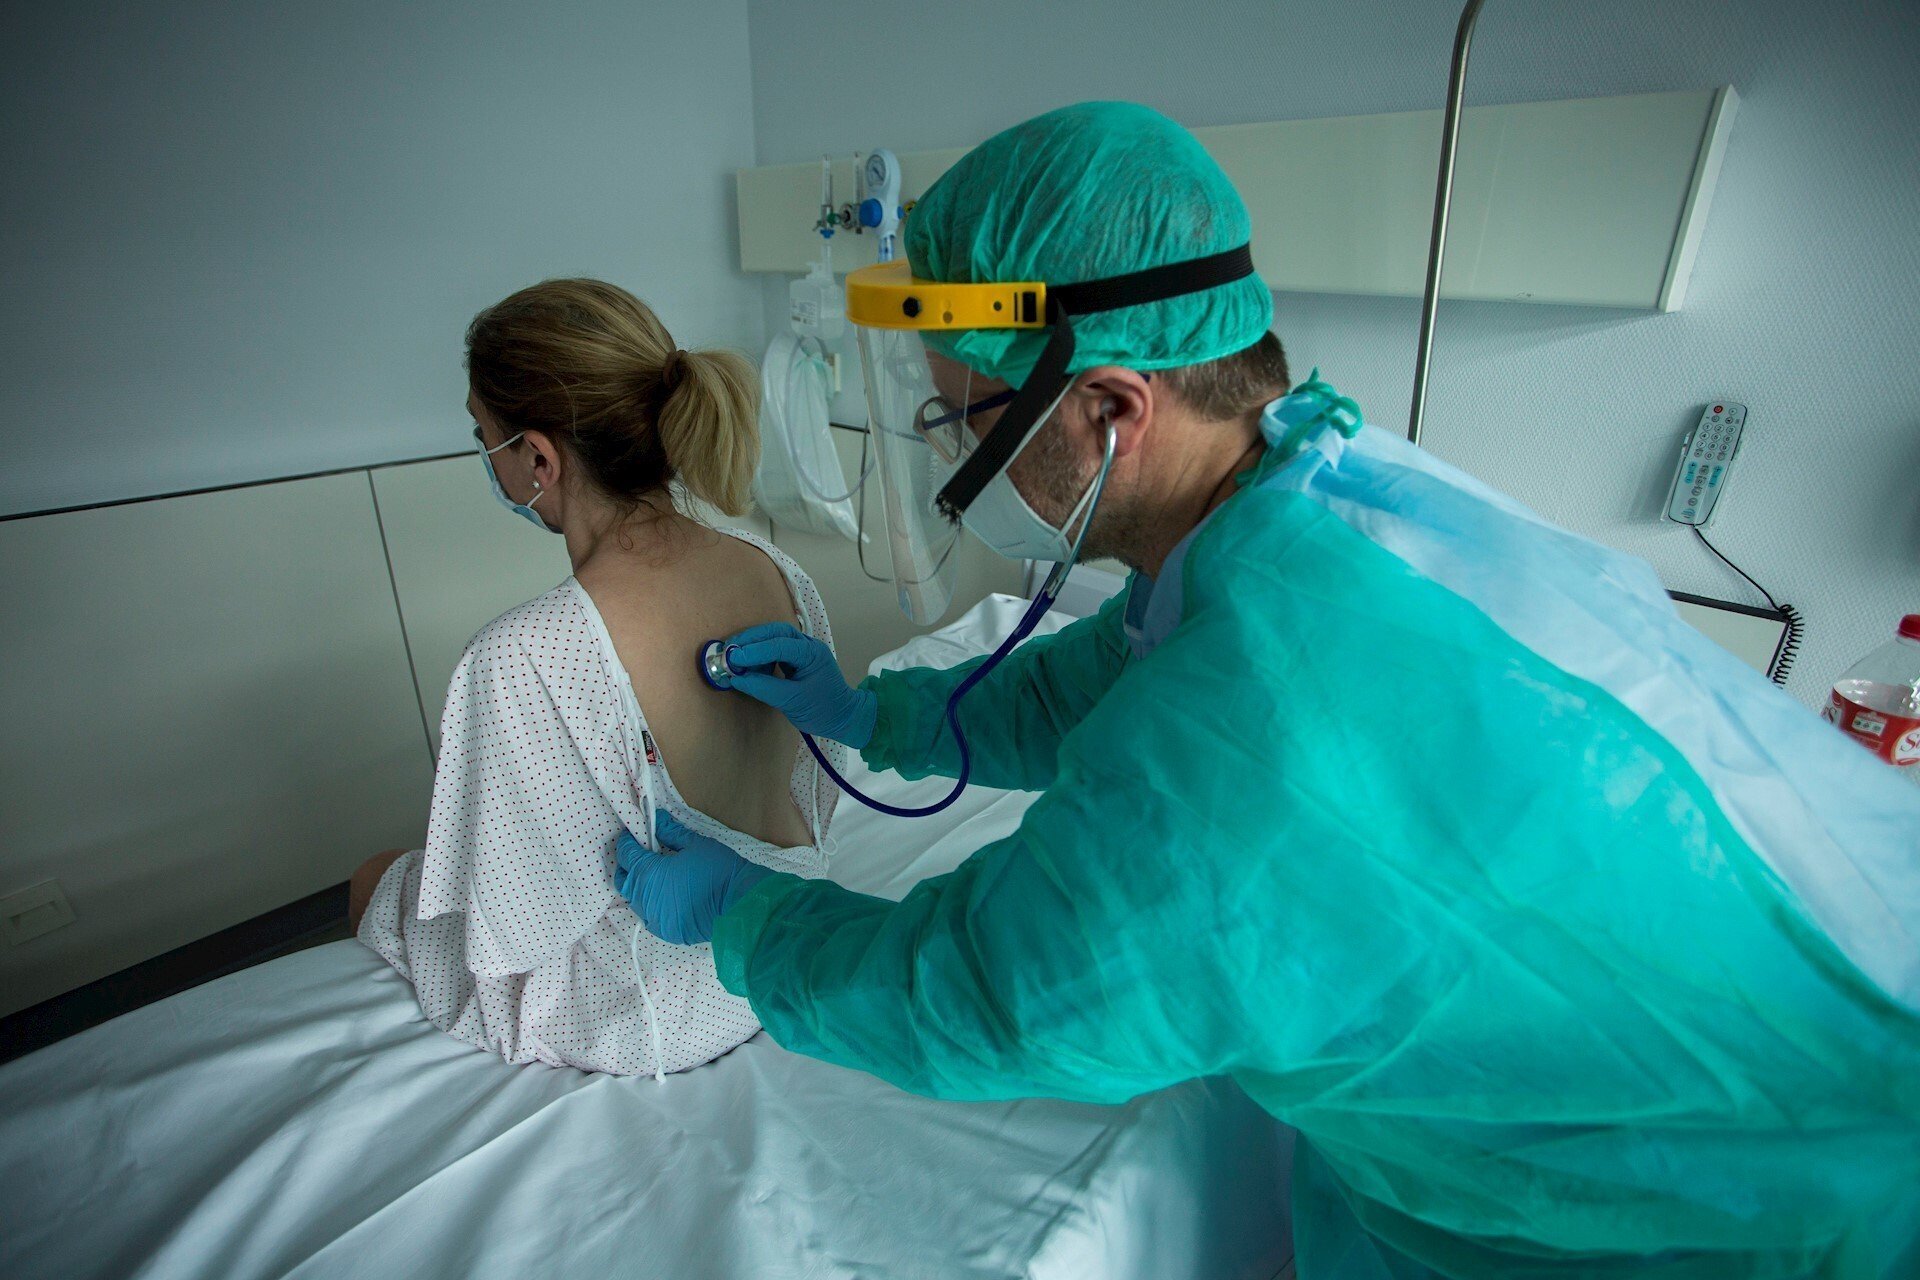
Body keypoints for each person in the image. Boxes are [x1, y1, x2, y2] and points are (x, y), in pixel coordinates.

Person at [615, 103, 1920, 1275]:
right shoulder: (1320, 487)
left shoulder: (1248, 736)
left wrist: (751, 920)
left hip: (1793, 1210)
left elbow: (986, 994)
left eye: (967, 423)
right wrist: (877, 716)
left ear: (1110, 409)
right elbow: (1114, 671)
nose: (955, 462)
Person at [350, 278, 842, 1079]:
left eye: (485, 437)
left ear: (538, 458)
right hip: (778, 937)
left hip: (663, 1009)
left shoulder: (522, 655)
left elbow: (515, 929)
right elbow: (819, 786)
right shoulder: (774, 569)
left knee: (376, 877)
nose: (488, 457)